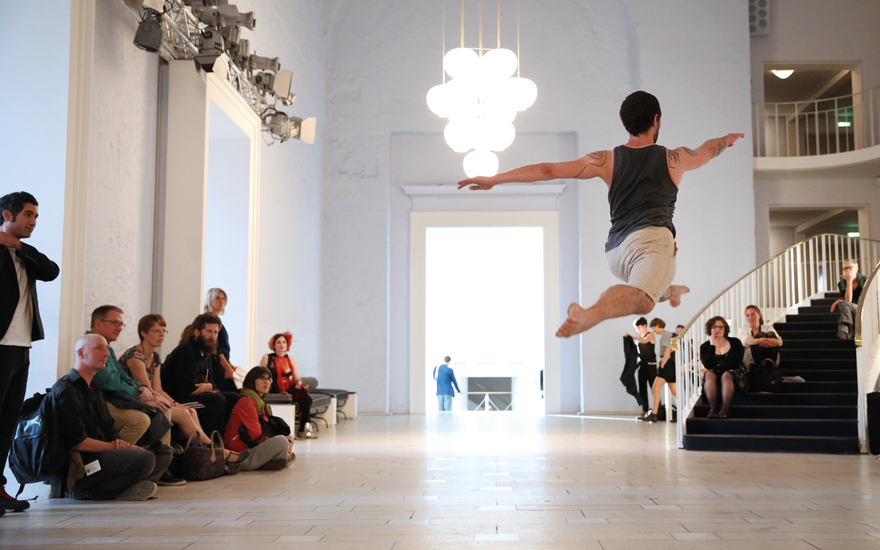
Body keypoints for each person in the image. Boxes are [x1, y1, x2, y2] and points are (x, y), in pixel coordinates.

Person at [458, 91, 744, 338]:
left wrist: (496, 178)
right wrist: (726, 140)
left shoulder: (606, 159)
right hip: (652, 242)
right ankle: (591, 315)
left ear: (625, 122)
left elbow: (548, 170)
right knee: (643, 302)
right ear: (656, 119)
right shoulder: (674, 157)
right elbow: (708, 149)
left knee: (651, 285)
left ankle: (672, 291)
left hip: (616, 254)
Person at [53, 334, 173, 501]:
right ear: (81, 353)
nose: (106, 354)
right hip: (84, 465)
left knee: (163, 452)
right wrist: (115, 448)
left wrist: (121, 443)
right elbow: (77, 442)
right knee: (144, 458)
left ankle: (121, 488)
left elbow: (109, 428)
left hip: (101, 454)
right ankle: (88, 491)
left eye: (106, 348)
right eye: (99, 348)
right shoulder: (67, 390)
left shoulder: (94, 387)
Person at [0, 191, 59, 512]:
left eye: (36, 216)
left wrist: (19, 246)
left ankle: (0, 487)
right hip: (1, 345)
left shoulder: (24, 252)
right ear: (8, 216)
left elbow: (51, 271)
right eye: (28, 215)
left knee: (8, 421)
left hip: (21, 346)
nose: (33, 222)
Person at [120, 314, 214, 446]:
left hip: (151, 398)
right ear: (144, 333)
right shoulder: (135, 356)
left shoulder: (155, 357)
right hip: (134, 400)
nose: (162, 335)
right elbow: (148, 389)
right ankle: (214, 449)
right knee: (184, 414)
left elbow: (158, 389)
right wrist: (173, 405)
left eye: (164, 331)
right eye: (156, 331)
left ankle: (203, 452)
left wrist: (176, 403)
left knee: (190, 411)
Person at [88, 305, 169, 446]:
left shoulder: (108, 349)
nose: (119, 328)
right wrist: (139, 396)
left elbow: (123, 376)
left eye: (121, 324)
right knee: (140, 420)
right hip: (100, 401)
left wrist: (141, 387)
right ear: (98, 323)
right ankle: (115, 458)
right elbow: (109, 382)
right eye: (115, 323)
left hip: (116, 398)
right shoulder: (90, 345)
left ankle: (160, 459)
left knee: (164, 409)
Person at [161, 313, 239, 435]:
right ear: (197, 332)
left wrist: (208, 386)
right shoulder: (186, 350)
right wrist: (208, 386)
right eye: (209, 331)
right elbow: (187, 388)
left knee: (234, 398)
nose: (213, 336)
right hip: (176, 398)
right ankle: (209, 446)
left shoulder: (205, 352)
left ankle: (227, 440)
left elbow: (212, 383)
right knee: (216, 400)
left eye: (216, 332)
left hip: (192, 395)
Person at [224, 367, 295, 471]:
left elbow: (268, 428)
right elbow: (255, 435)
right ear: (252, 381)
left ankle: (273, 459)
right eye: (262, 378)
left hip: (252, 445)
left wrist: (288, 442)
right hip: (241, 453)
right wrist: (284, 444)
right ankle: (267, 461)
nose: (266, 382)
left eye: (268, 379)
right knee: (282, 442)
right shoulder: (247, 401)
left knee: (289, 438)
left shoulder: (259, 402)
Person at [261, 332, 317, 440]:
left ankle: (304, 427)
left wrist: (298, 383)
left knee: (305, 395)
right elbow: (260, 374)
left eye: (284, 342)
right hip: (274, 389)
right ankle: (304, 427)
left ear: (287, 345)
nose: (281, 344)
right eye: (278, 342)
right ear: (274, 345)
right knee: (304, 395)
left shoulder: (290, 359)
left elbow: (296, 377)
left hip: (288, 389)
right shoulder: (267, 358)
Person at [700, 316, 747, 419]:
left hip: (734, 373)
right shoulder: (705, 346)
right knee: (709, 375)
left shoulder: (735, 342)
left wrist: (715, 368)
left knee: (726, 374)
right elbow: (708, 365)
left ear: (725, 329)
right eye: (714, 327)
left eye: (721, 327)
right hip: (715, 374)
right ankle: (712, 408)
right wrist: (712, 345)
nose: (717, 330)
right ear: (710, 329)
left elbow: (735, 363)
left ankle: (725, 409)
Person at [639, 318, 676, 422]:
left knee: (655, 388)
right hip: (672, 365)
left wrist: (663, 363)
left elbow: (667, 350)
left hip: (667, 365)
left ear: (658, 326)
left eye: (654, 328)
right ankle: (682, 413)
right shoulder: (670, 334)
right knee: (674, 391)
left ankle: (654, 414)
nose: (654, 330)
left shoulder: (665, 334)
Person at [205, 288, 239, 392]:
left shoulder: (217, 320)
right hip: (215, 366)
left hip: (220, 364)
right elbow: (215, 348)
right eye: (218, 298)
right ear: (210, 300)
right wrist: (227, 366)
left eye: (224, 299)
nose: (222, 301)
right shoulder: (208, 320)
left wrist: (228, 363)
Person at [626, 317, 656, 418]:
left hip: (651, 366)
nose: (637, 330)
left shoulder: (650, 335)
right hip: (642, 366)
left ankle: (658, 411)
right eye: (636, 328)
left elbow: (644, 341)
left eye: (639, 327)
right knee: (642, 389)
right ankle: (645, 410)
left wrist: (632, 337)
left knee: (654, 389)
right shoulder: (639, 338)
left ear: (644, 326)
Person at [831, 259, 867, 340]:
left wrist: (840, 300)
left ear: (856, 269)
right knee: (843, 304)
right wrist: (849, 282)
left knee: (842, 305)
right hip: (852, 309)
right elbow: (848, 301)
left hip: (864, 308)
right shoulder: (842, 283)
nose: (847, 270)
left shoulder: (865, 280)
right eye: (845, 268)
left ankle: (848, 330)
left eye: (850, 268)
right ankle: (845, 332)